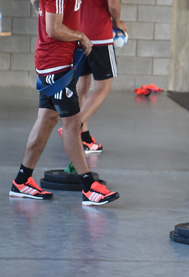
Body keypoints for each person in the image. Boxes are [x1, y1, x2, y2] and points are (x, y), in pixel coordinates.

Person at [9, 0, 119, 206]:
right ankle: (89, 187)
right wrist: (81, 36)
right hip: (55, 64)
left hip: (54, 62)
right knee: (71, 124)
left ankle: (22, 181)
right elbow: (54, 29)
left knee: (47, 119)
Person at [57, 0, 129, 153]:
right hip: (99, 37)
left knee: (82, 87)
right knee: (103, 87)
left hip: (78, 36)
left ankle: (85, 139)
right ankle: (74, 125)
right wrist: (117, 21)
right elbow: (113, 5)